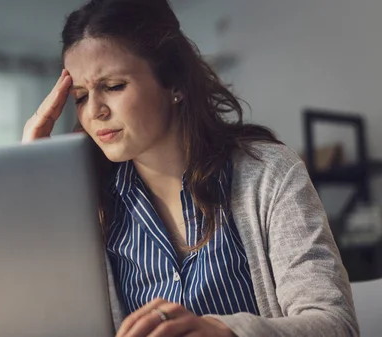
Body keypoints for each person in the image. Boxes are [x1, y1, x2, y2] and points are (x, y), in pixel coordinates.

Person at [21, 0, 358, 336]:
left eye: (113, 86)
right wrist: (35, 174)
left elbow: (336, 325)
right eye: (79, 96)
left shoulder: (268, 173)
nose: (94, 111)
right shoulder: (88, 201)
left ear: (175, 83)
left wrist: (222, 332)